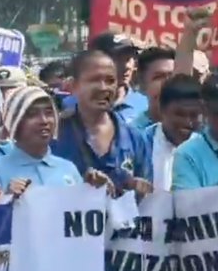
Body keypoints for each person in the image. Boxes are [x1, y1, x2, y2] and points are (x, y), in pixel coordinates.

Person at [0, 85, 112, 200]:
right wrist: (6, 201)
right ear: (15, 122)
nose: (44, 121)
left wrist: (96, 191)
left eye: (49, 113)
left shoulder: (68, 169)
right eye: (32, 114)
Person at [52, 50, 152, 196]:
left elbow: (148, 198)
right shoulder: (54, 135)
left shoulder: (134, 138)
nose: (103, 87)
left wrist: (136, 188)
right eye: (94, 80)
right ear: (73, 86)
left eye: (110, 81)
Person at [142, 75, 204, 192]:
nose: (187, 122)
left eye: (194, 115)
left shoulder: (206, 149)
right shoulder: (140, 144)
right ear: (162, 110)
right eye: (179, 114)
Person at [130, 47, 176, 129]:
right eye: (158, 77)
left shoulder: (196, 129)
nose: (168, 83)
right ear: (142, 84)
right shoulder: (132, 134)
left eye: (173, 76)